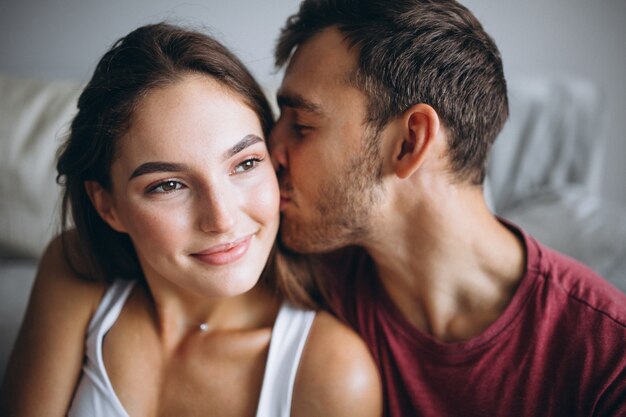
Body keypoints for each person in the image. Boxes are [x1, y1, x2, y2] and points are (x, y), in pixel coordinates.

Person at [0, 23, 382, 417]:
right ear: (107, 205)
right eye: (168, 185)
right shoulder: (75, 267)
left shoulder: (332, 372)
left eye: (246, 163)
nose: (221, 218)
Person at [269, 0, 626, 416]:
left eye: (302, 126)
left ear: (410, 143)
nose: (269, 151)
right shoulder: (305, 278)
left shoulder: (607, 361)